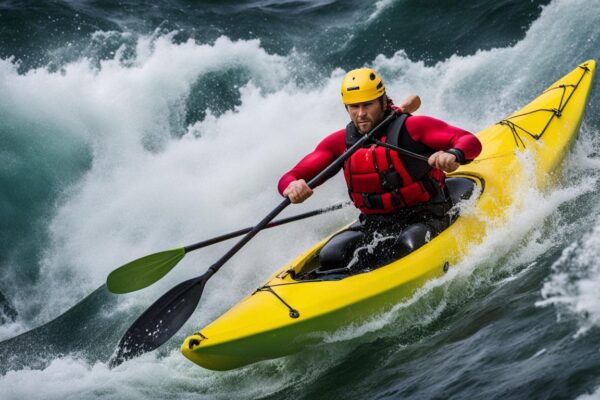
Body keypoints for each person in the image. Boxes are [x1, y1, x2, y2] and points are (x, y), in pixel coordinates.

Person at [278, 68, 482, 273]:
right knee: (332, 255)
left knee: (409, 244)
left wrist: (454, 154)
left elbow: (469, 141)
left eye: (368, 105)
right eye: (354, 107)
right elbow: (291, 176)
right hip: (374, 224)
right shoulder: (340, 143)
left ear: (383, 102)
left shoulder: (413, 127)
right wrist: (292, 186)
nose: (361, 113)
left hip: (427, 215)